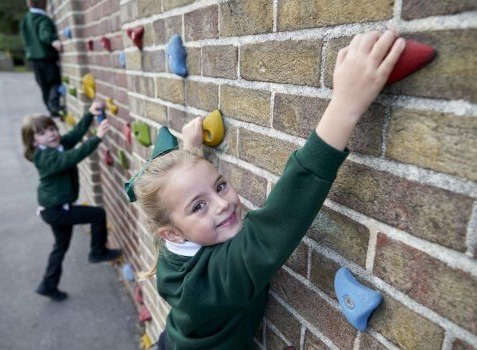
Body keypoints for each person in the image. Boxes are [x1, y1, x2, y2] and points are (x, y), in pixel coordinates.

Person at [129, 30, 406, 349]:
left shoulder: (178, 239)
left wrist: (193, 153)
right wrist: (345, 105)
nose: (221, 204)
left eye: (219, 186)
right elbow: (275, 225)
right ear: (173, 234)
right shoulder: (211, 281)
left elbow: (188, 198)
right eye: (198, 206)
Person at [21, 102, 121, 302]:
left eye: (52, 128)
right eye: (42, 133)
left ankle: (48, 285)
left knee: (61, 246)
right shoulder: (44, 157)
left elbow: (74, 136)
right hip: (55, 211)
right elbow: (71, 158)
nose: (51, 134)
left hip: (55, 209)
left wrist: (89, 115)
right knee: (97, 215)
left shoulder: (57, 146)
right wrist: (97, 138)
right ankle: (97, 252)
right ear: (33, 142)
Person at [20, 0, 63, 117]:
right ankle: (54, 105)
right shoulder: (42, 19)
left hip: (34, 60)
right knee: (54, 82)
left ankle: (50, 109)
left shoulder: (25, 20)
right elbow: (44, 34)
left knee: (44, 86)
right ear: (44, 3)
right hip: (46, 57)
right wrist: (53, 41)